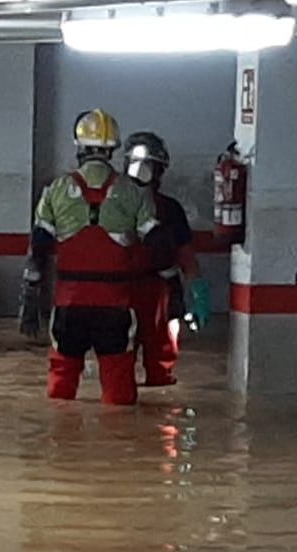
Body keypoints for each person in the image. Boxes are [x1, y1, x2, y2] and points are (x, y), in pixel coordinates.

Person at [19, 108, 169, 405]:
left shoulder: (56, 191)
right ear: (113, 150)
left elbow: (39, 249)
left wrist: (30, 297)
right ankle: (117, 446)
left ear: (79, 147)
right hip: (115, 306)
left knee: (61, 386)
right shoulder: (134, 193)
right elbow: (159, 247)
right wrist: (174, 289)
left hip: (69, 304)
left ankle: (61, 445)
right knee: (119, 387)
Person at [122, 131, 205, 387]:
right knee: (125, 366)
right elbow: (187, 258)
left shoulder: (167, 209)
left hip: (154, 291)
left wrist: (197, 292)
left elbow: (186, 256)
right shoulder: (115, 204)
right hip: (131, 289)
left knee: (125, 368)